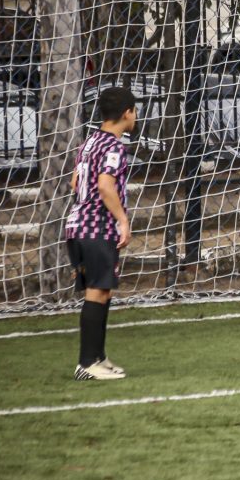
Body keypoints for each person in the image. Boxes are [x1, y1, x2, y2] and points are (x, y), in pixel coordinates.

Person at [65, 86, 136, 381]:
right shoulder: (114, 147)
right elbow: (105, 185)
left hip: (77, 225)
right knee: (97, 292)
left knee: (102, 291)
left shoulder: (90, 142)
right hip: (96, 227)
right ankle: (86, 363)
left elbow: (75, 182)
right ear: (127, 113)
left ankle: (98, 357)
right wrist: (122, 220)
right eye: (134, 111)